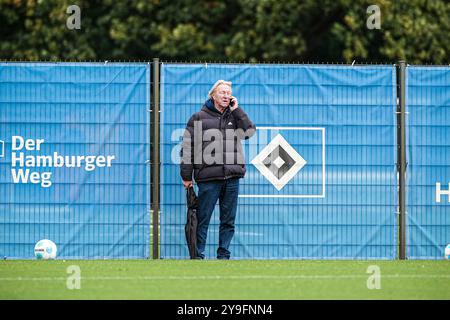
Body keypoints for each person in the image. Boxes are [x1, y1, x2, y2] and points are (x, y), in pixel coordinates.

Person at [180, 80, 256, 259]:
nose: (226, 95)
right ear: (212, 95)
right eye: (222, 92)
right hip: (208, 178)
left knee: (228, 221)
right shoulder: (198, 117)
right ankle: (197, 255)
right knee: (203, 219)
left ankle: (224, 255)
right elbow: (187, 148)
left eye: (228, 92)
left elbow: (250, 132)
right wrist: (186, 176)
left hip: (232, 177)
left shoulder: (235, 116)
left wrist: (237, 110)